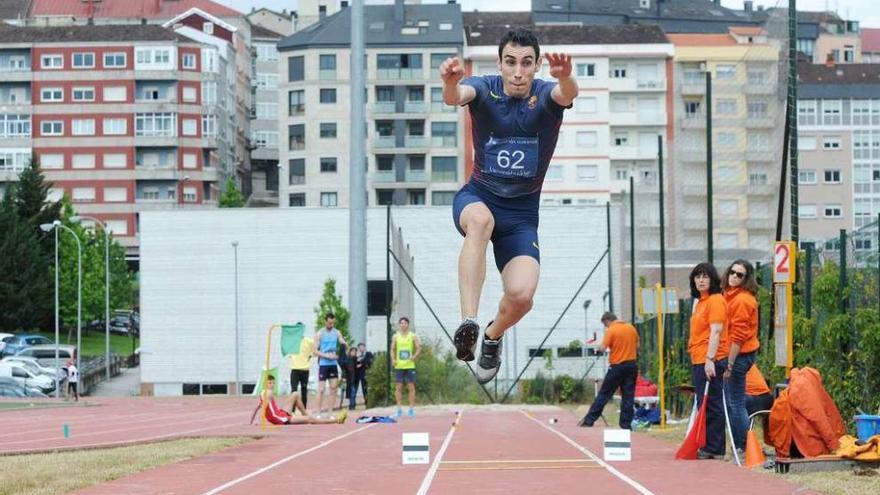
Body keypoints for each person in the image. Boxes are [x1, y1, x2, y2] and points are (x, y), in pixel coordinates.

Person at [440, 28, 578, 384]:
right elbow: (457, 96)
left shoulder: (546, 95)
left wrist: (566, 78)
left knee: (522, 296)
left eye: (527, 63)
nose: (518, 72)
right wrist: (451, 84)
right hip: (478, 198)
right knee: (481, 221)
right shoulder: (484, 88)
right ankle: (469, 321)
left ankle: (491, 336)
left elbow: (566, 94)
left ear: (536, 66)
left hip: (520, 218)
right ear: (500, 64)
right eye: (511, 63)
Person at [688, 262, 729, 460]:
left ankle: (715, 448)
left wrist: (710, 359)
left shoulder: (715, 301)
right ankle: (707, 444)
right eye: (697, 277)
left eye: (705, 276)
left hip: (710, 358)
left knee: (711, 403)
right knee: (702, 402)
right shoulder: (701, 302)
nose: (701, 280)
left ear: (712, 280)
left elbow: (716, 330)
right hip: (699, 358)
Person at [722, 259, 760, 456]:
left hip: (739, 356)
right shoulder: (729, 296)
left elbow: (738, 335)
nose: (734, 277)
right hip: (736, 354)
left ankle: (744, 446)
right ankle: (740, 444)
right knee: (731, 401)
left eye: (739, 275)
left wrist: (729, 363)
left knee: (735, 403)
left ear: (746, 279)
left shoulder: (742, 300)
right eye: (732, 272)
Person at [577, 312, 639, 429]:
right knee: (628, 396)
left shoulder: (612, 330)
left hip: (617, 366)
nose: (606, 327)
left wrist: (598, 350)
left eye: (605, 324)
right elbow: (638, 346)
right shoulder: (631, 328)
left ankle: (589, 421)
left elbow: (603, 347)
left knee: (604, 394)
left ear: (607, 320)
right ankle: (625, 425)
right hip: (631, 366)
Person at [253, 375, 346, 425]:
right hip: (279, 419)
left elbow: (258, 407)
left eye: (273, 383)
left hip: (279, 413)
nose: (272, 385)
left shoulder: (264, 392)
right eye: (269, 383)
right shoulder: (268, 393)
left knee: (295, 394)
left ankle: (304, 413)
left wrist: (253, 421)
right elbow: (264, 407)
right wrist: (261, 423)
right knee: (310, 419)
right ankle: (336, 420)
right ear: (265, 383)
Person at [314, 312, 347, 417]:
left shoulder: (337, 332)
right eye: (329, 323)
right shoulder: (320, 333)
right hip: (324, 364)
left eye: (332, 323)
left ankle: (330, 413)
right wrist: (326, 356)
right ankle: (318, 413)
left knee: (333, 388)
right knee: (321, 389)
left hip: (333, 364)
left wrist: (344, 346)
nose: (331, 325)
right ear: (325, 321)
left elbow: (343, 342)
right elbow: (315, 351)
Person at [391, 316, 421, 417]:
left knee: (411, 387)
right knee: (398, 387)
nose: (403, 325)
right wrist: (393, 359)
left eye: (405, 323)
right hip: (399, 366)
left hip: (409, 365)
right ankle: (399, 409)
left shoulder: (413, 336)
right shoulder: (396, 336)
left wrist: (414, 356)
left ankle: (411, 409)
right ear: (399, 325)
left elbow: (418, 348)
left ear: (408, 325)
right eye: (401, 323)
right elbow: (392, 349)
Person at [289, 328, 315, 410]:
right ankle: (292, 410)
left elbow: (315, 350)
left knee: (304, 390)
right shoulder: (292, 341)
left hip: (305, 369)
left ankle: (304, 410)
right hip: (295, 369)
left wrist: (309, 356)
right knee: (294, 390)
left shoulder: (309, 341)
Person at [352, 342, 372, 407]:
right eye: (360, 347)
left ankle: (368, 402)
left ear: (364, 347)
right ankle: (354, 403)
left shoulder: (368, 354)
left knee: (366, 388)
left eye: (362, 347)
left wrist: (361, 363)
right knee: (359, 388)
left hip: (366, 374)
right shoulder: (357, 356)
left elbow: (369, 362)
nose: (361, 348)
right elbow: (355, 365)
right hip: (358, 375)